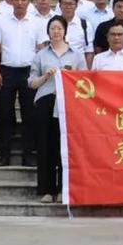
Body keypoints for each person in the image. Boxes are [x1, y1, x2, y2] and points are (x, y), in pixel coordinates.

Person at [29, 15, 87, 203]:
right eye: (52, 28)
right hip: (46, 101)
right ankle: (47, 189)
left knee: (65, 147)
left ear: (65, 31)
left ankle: (64, 189)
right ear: (48, 31)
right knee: (45, 145)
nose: (56, 32)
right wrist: (45, 76)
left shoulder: (76, 55)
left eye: (59, 28)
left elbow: (84, 82)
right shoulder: (41, 55)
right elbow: (32, 83)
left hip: (68, 103)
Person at [0, 0, 44, 167]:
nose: (20, 3)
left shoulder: (37, 22)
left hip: (29, 72)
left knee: (29, 115)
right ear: (11, 1)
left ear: (29, 1)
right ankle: (4, 153)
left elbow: (41, 48)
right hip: (6, 71)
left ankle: (27, 154)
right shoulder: (1, 21)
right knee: (4, 113)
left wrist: (40, 74)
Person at [57, 0, 93, 67]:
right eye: (65, 4)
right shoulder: (53, 24)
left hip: (78, 66)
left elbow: (89, 50)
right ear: (60, 6)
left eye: (71, 4)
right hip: (57, 65)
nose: (68, 7)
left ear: (76, 6)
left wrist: (87, 70)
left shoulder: (85, 25)